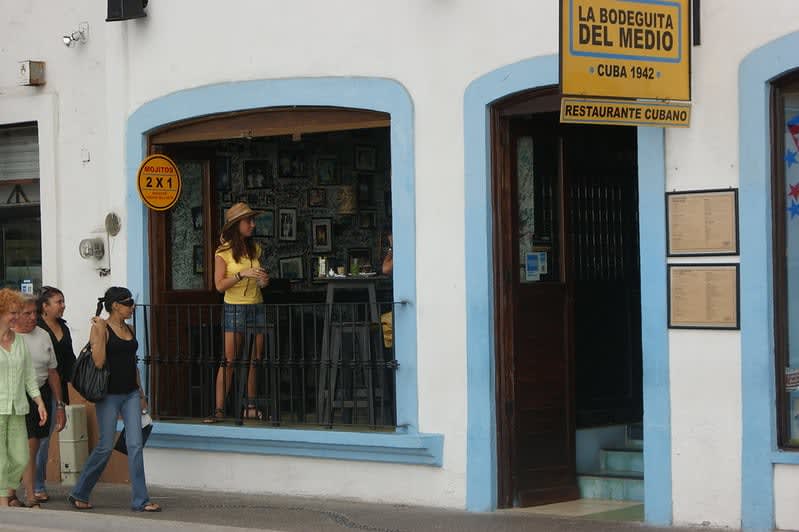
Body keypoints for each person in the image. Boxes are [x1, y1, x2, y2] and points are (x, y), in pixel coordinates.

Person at [68, 287, 161, 512]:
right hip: (108, 395)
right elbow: (99, 362)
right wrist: (100, 330)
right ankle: (80, 492)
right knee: (105, 446)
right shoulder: (101, 328)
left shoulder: (129, 329)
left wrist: (141, 394)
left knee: (135, 445)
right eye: (128, 303)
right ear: (116, 306)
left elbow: (133, 364)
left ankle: (141, 500)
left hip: (131, 393)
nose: (132, 307)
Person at [205, 202, 269, 423]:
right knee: (229, 360)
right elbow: (219, 285)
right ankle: (219, 409)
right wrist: (242, 274)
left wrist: (263, 281)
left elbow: (260, 281)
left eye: (253, 220)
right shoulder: (222, 252)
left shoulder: (255, 249)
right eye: (248, 221)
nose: (253, 224)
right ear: (236, 225)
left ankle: (250, 407)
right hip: (234, 308)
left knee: (254, 359)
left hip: (256, 306)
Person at [7, 296, 65, 508]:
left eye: (35, 313)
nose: (33, 318)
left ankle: (16, 493)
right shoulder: (8, 336)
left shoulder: (43, 335)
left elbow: (52, 372)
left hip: (39, 395)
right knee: (24, 447)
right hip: (14, 396)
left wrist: (59, 405)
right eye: (28, 313)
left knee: (32, 446)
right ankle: (25, 495)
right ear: (15, 315)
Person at [0, 289, 47, 508]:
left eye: (18, 312)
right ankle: (3, 502)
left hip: (18, 407)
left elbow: (29, 375)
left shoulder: (19, 341)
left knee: (20, 458)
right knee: (1, 458)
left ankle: (4, 494)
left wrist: (39, 401)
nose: (17, 317)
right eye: (13, 313)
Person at [33, 285, 75, 503]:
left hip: (57, 388)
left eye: (63, 301)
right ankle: (35, 485)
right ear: (45, 306)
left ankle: (37, 484)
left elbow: (70, 360)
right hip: (38, 388)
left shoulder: (63, 327)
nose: (63, 305)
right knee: (37, 440)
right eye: (59, 302)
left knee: (45, 440)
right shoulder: (35, 328)